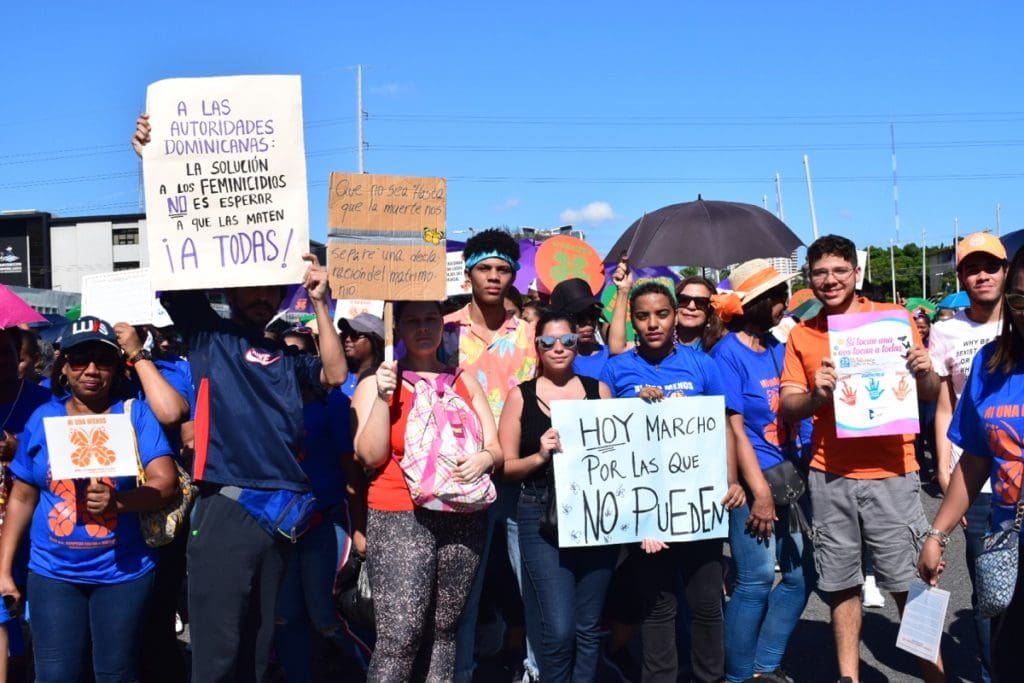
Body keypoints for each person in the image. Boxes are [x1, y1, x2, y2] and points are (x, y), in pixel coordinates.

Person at [134, 111, 348, 681]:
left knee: (259, 642)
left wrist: (323, 303)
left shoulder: (289, 352)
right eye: (249, 284)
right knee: (217, 643)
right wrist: (152, 168)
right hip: (227, 505)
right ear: (229, 286)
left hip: (284, 510)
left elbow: (332, 374)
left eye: (270, 286)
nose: (260, 295)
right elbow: (176, 249)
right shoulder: (209, 335)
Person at [779, 234, 943, 683]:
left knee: (911, 580)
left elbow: (928, 393)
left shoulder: (893, 320)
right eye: (819, 272)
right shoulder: (803, 334)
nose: (829, 280)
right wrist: (817, 395)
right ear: (809, 279)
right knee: (839, 583)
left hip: (893, 469)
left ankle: (936, 675)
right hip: (829, 474)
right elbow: (788, 405)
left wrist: (925, 372)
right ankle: (848, 677)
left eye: (838, 270)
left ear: (856, 273)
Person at [0, 317, 178, 681]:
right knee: (55, 675)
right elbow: (22, 497)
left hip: (123, 572)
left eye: (103, 359)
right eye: (81, 359)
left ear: (117, 366)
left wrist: (120, 502)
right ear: (63, 365)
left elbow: (166, 484)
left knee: (115, 672)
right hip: (52, 574)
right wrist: (3, 571)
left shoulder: (135, 414)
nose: (92, 370)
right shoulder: (43, 418)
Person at [600, 279, 744, 683]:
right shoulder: (616, 369)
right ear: (632, 322)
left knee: (705, 604)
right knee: (658, 607)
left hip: (699, 505)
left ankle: (709, 678)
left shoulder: (703, 366)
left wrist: (731, 481)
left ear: (675, 316)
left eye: (662, 314)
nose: (653, 323)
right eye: (643, 316)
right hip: (647, 510)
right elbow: (605, 439)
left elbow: (724, 427)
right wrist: (632, 407)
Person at [353, 299, 501, 682]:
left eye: (431, 319)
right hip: (400, 513)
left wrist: (484, 459)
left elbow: (495, 447)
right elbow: (368, 454)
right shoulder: (377, 378)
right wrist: (383, 399)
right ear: (397, 328)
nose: (423, 327)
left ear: (443, 324)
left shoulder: (463, 379)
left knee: (444, 632)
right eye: (413, 320)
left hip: (464, 515)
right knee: (400, 638)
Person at [917, 244, 1024, 683]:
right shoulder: (991, 363)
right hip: (1010, 541)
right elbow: (977, 457)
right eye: (1019, 300)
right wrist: (936, 533)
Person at [709, 259, 813, 683]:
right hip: (753, 482)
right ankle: (738, 677)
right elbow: (734, 429)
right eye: (774, 298)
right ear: (752, 304)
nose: (783, 304)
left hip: (788, 475)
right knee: (753, 580)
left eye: (782, 296)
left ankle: (763, 667)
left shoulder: (779, 347)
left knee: (800, 574)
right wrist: (760, 494)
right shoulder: (726, 354)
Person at [499, 310, 616, 681]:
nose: (559, 348)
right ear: (537, 347)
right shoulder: (521, 396)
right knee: (559, 628)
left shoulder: (601, 391)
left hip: (595, 513)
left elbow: (623, 454)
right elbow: (505, 468)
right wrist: (539, 455)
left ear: (578, 344)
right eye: (549, 342)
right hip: (539, 512)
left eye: (567, 340)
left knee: (587, 627)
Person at [442, 229, 537, 683]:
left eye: (503, 269)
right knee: (465, 590)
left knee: (535, 583)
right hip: (464, 479)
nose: (494, 277)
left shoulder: (531, 335)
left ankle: (537, 671)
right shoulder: (444, 332)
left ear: (514, 275)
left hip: (522, 476)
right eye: (485, 268)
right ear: (469, 273)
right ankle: (461, 672)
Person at [276, 329, 371, 681]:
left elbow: (351, 472)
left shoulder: (333, 404)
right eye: (283, 353)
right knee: (285, 617)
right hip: (279, 531)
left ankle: (379, 672)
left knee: (326, 617)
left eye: (300, 353)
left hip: (323, 524)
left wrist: (360, 530)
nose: (292, 360)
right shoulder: (266, 407)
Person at [0, 330, 52, 681]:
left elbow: (60, 461)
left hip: (36, 519)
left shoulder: (47, 401)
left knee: (38, 603)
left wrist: (19, 451)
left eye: (5, 351)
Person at [549, 277, 610, 378]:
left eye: (592, 314)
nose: (588, 322)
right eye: (579, 316)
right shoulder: (552, 362)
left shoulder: (612, 356)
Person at [338, 313, 385, 398]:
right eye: (345, 334)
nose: (347, 339)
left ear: (374, 340)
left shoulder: (386, 379)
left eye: (355, 335)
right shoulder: (337, 375)